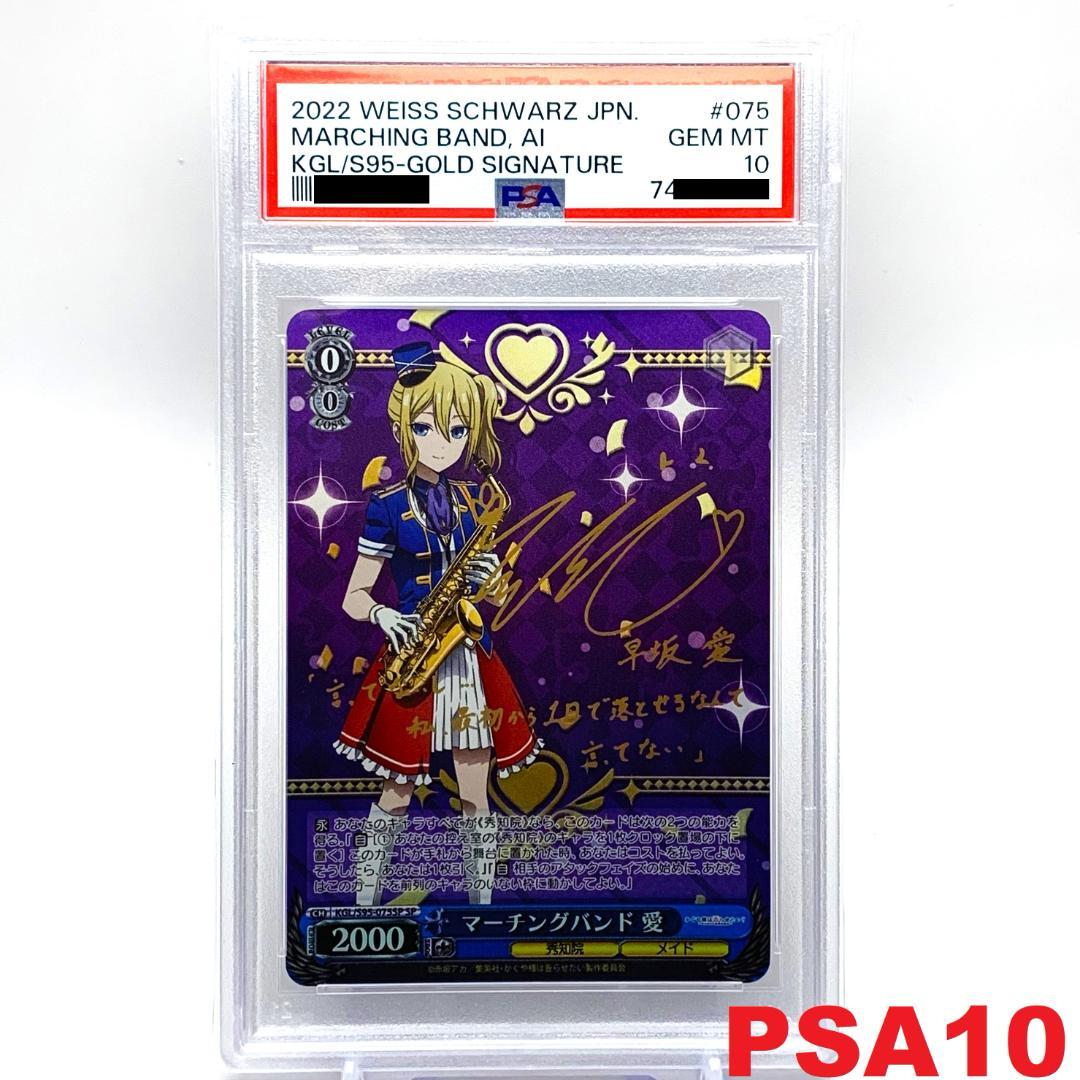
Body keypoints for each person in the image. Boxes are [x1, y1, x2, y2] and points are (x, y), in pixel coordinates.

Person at [334, 342, 540, 905]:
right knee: (396, 793)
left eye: (457, 430)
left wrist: (490, 579)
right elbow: (353, 597)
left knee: (477, 792)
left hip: (466, 655)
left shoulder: (475, 502)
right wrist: (384, 614)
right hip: (413, 657)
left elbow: (494, 599)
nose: (443, 443)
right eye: (426, 427)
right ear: (403, 428)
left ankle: (482, 907)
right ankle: (363, 903)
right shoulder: (386, 506)